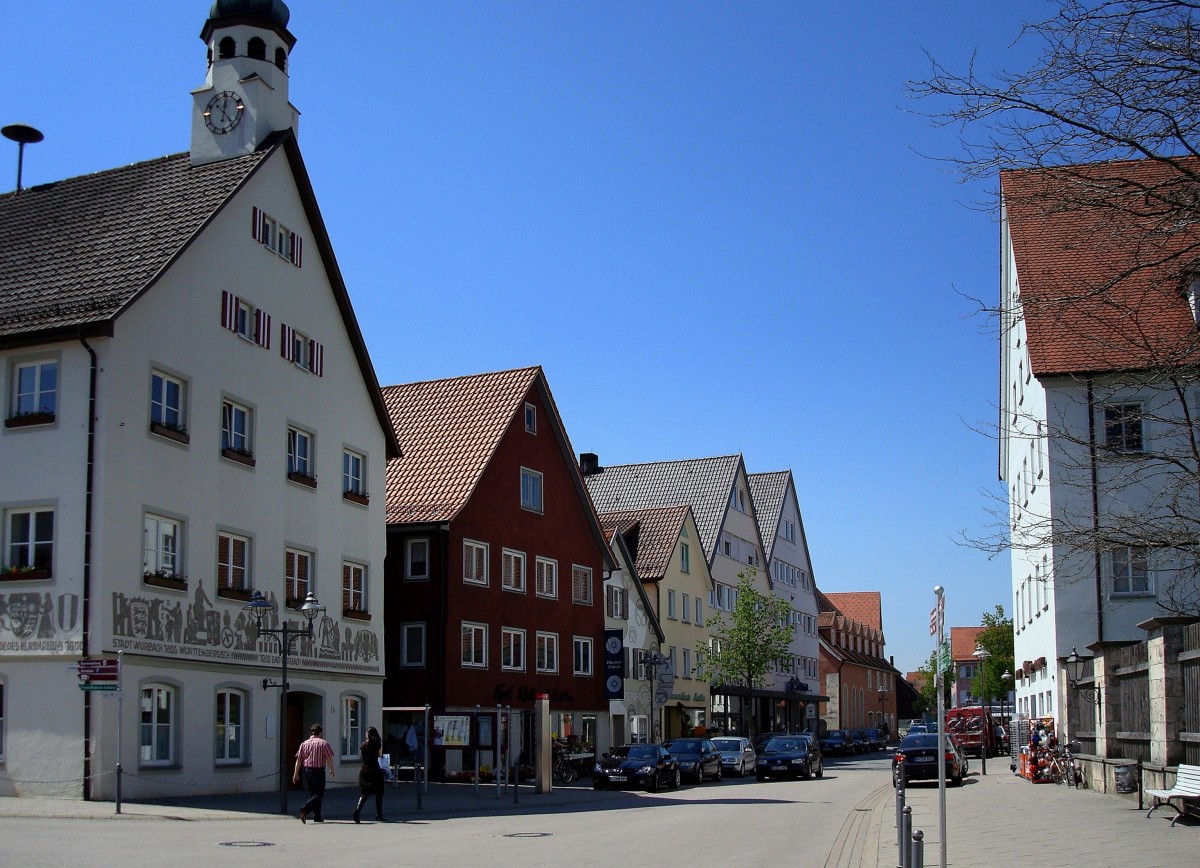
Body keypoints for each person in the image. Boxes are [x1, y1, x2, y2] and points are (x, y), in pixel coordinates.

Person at [293, 723, 335, 823]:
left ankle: (317, 816)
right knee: (319, 794)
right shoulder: (323, 743)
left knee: (313, 794)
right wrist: (332, 769)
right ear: (320, 733)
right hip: (318, 770)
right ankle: (305, 808)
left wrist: (296, 773)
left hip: (307, 770)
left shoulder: (304, 743)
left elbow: (299, 759)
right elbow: (329, 757)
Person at [354, 726, 386, 823]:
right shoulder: (377, 744)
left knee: (364, 794)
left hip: (365, 770)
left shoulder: (363, 745)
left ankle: (357, 812)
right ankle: (379, 815)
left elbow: (361, 756)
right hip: (375, 770)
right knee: (379, 793)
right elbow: (380, 755)